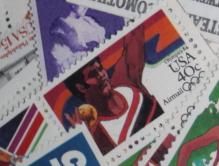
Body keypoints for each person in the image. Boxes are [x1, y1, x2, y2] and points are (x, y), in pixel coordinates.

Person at [62, 24, 163, 154]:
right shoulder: (98, 134)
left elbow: (135, 34)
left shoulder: (125, 82)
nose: (101, 75)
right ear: (81, 87)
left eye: (100, 69)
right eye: (93, 74)